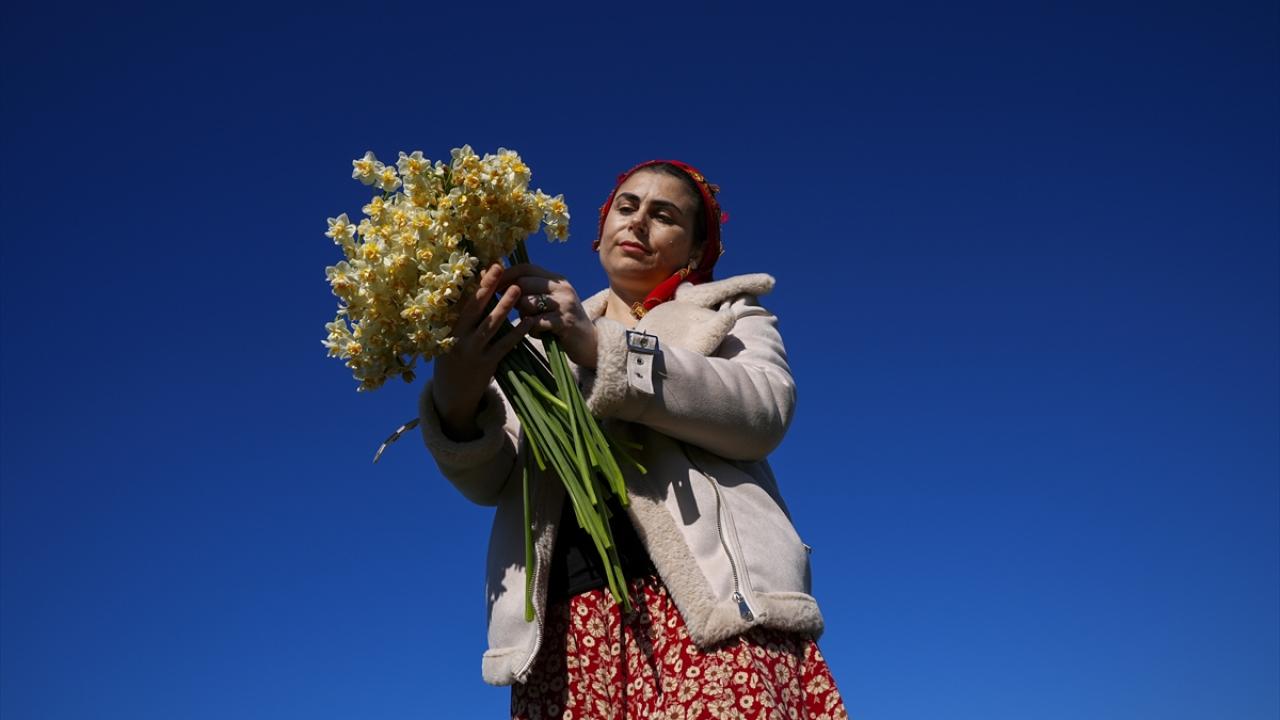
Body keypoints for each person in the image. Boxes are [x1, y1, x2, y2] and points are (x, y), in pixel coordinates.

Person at [420, 160, 848, 719]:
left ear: (696, 250)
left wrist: (600, 346)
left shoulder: (729, 314)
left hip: (708, 610)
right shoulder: (535, 342)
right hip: (568, 629)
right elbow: (493, 479)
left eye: (664, 215)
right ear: (601, 230)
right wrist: (456, 399)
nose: (639, 221)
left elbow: (762, 411)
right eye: (627, 207)